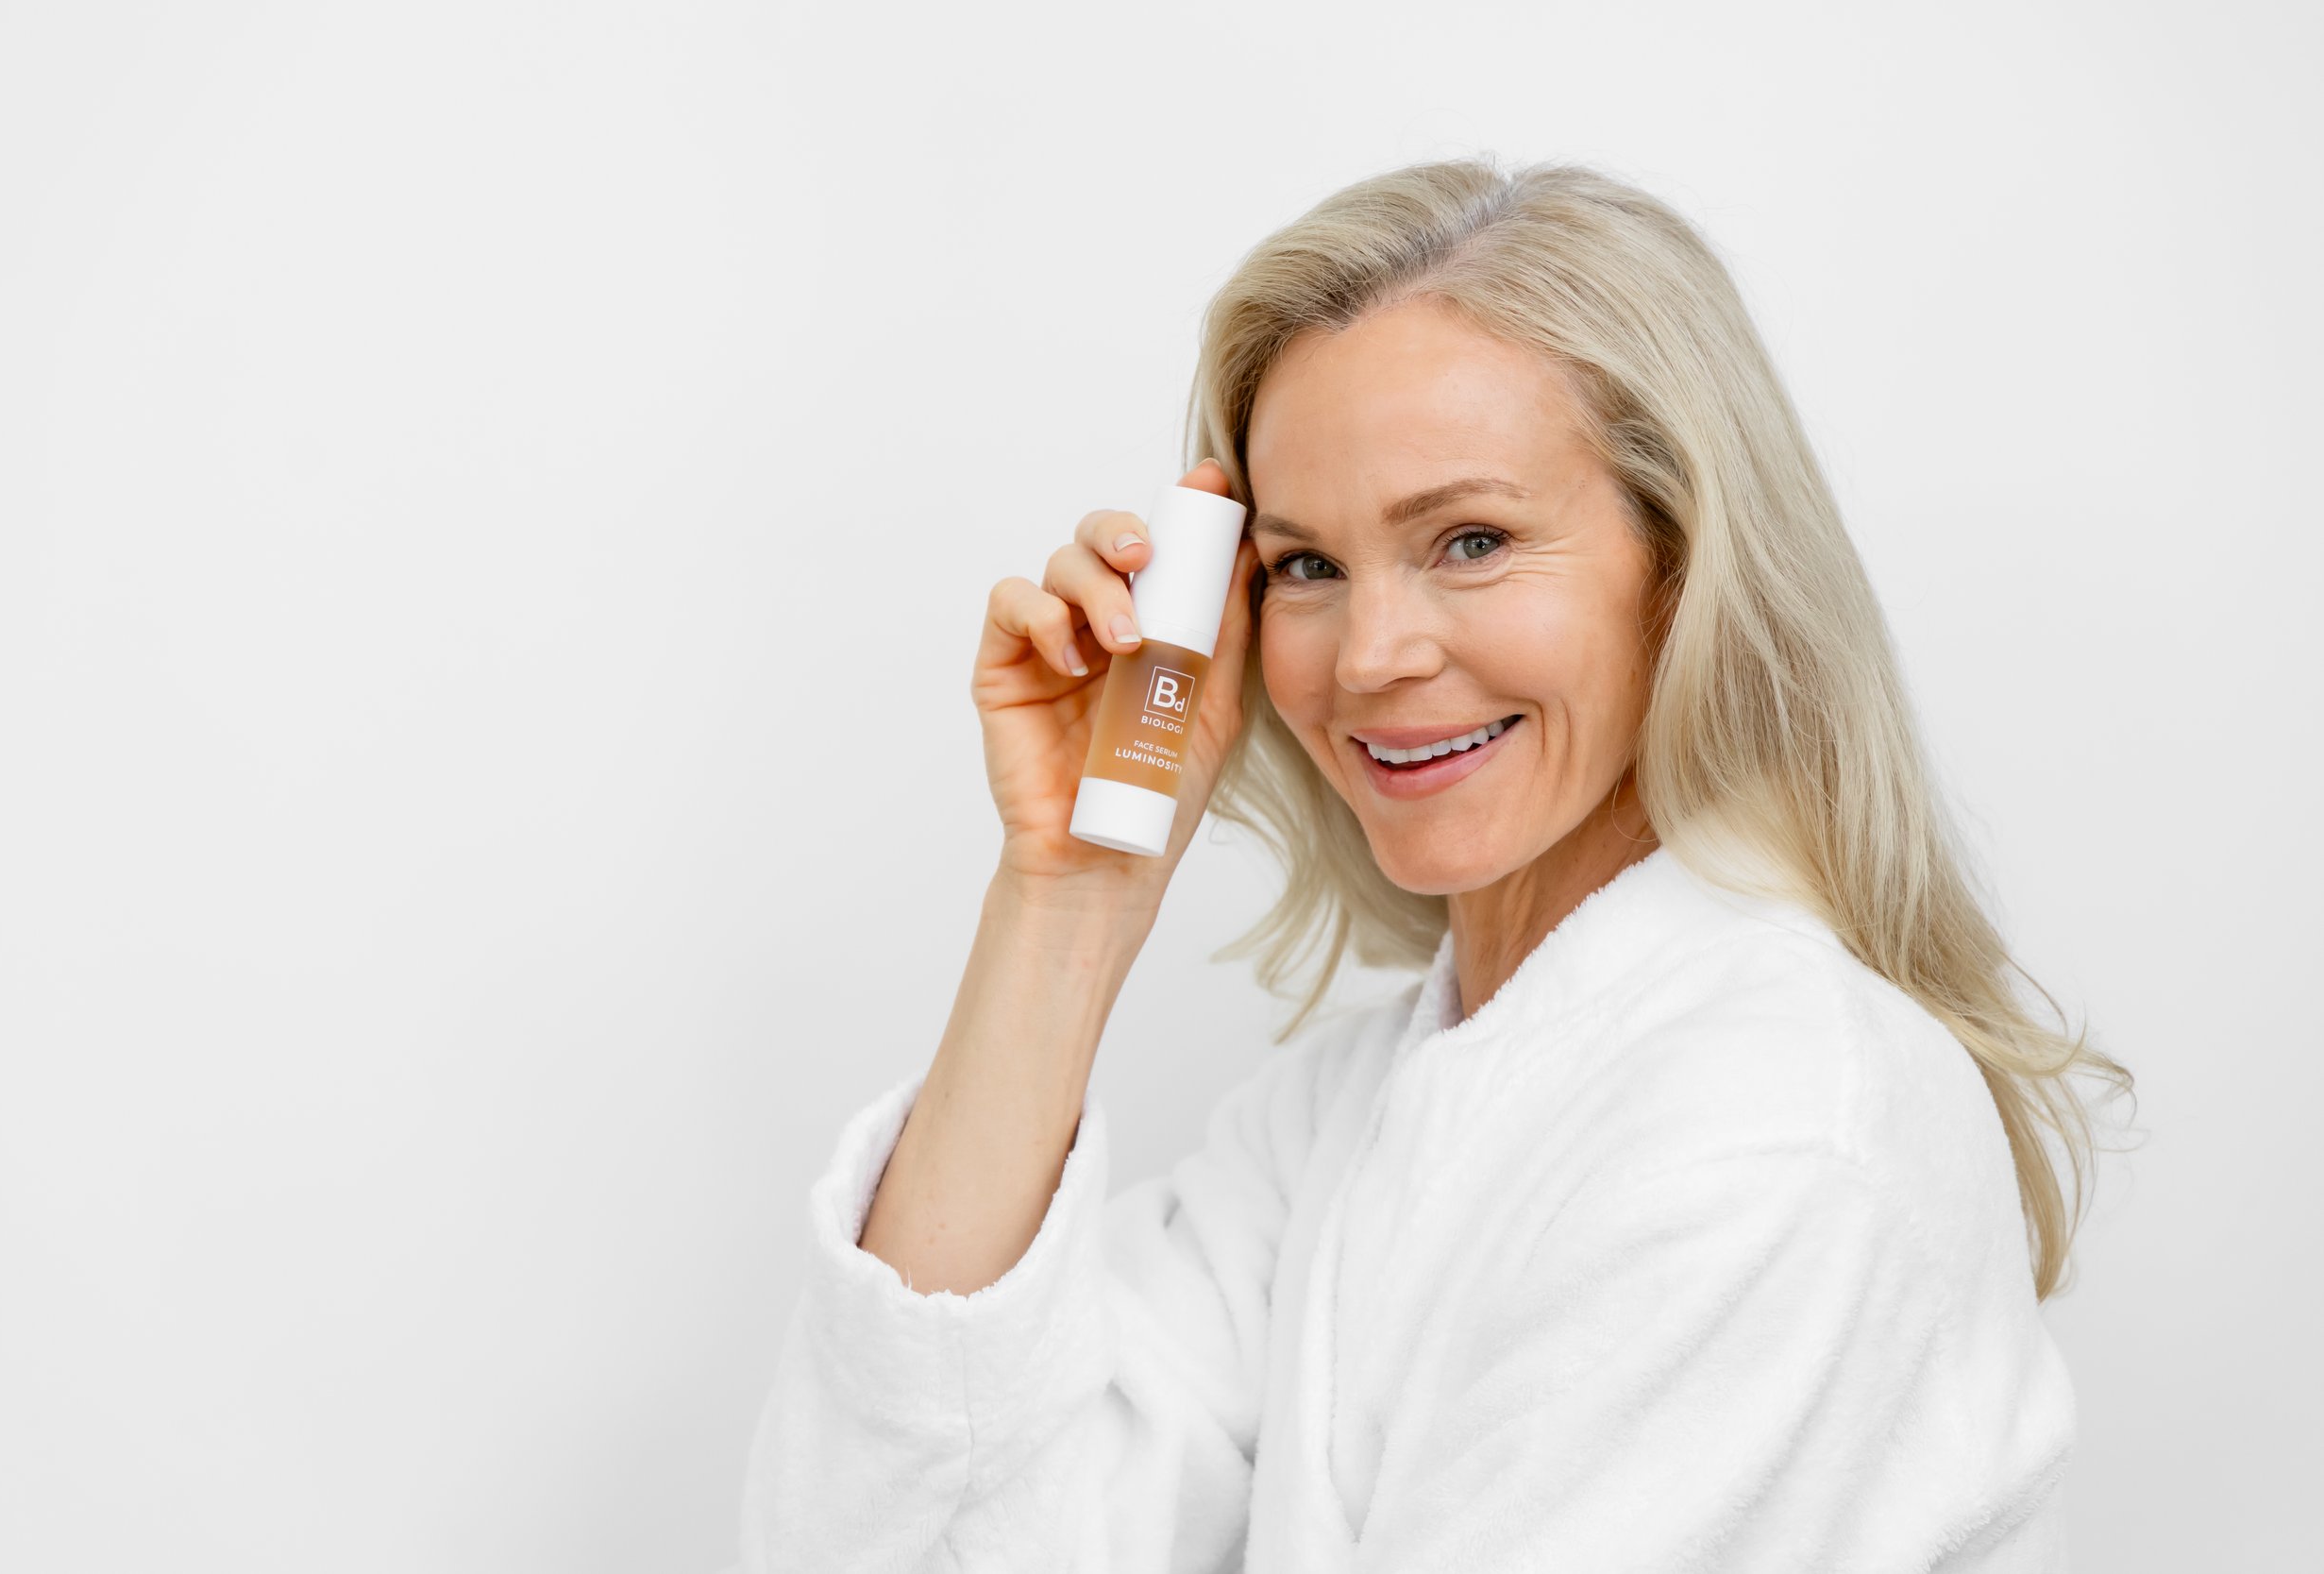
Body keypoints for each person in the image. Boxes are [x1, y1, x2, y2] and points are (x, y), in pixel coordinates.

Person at [734, 158, 2133, 1572]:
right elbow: (888, 1537)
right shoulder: (1353, 1109)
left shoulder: (1776, 1122)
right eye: (1304, 567)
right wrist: (1072, 891)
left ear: (1684, 563)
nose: (1370, 657)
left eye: (1470, 540)